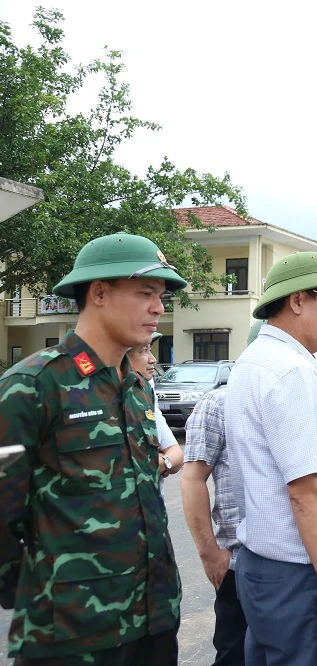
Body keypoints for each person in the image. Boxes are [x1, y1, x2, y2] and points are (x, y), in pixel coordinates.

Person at [0, 232, 186, 664]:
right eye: (146, 293)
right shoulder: (31, 387)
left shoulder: (136, 387)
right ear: (99, 292)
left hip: (154, 620)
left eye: (160, 296)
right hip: (73, 633)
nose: (159, 307)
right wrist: (36, 590)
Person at [225, 252, 317, 666]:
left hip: (267, 566)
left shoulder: (254, 362)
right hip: (300, 574)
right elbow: (306, 492)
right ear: (298, 301)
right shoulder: (291, 373)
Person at [179, 320, 263, 666]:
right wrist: (210, 553)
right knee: (234, 652)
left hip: (294, 561)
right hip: (238, 561)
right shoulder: (218, 403)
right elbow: (192, 478)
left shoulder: (302, 397)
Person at [126, 332, 183, 480]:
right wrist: (161, 462)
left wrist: (162, 462)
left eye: (150, 350)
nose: (153, 359)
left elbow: (176, 454)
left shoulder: (146, 392)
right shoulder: (103, 398)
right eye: (143, 351)